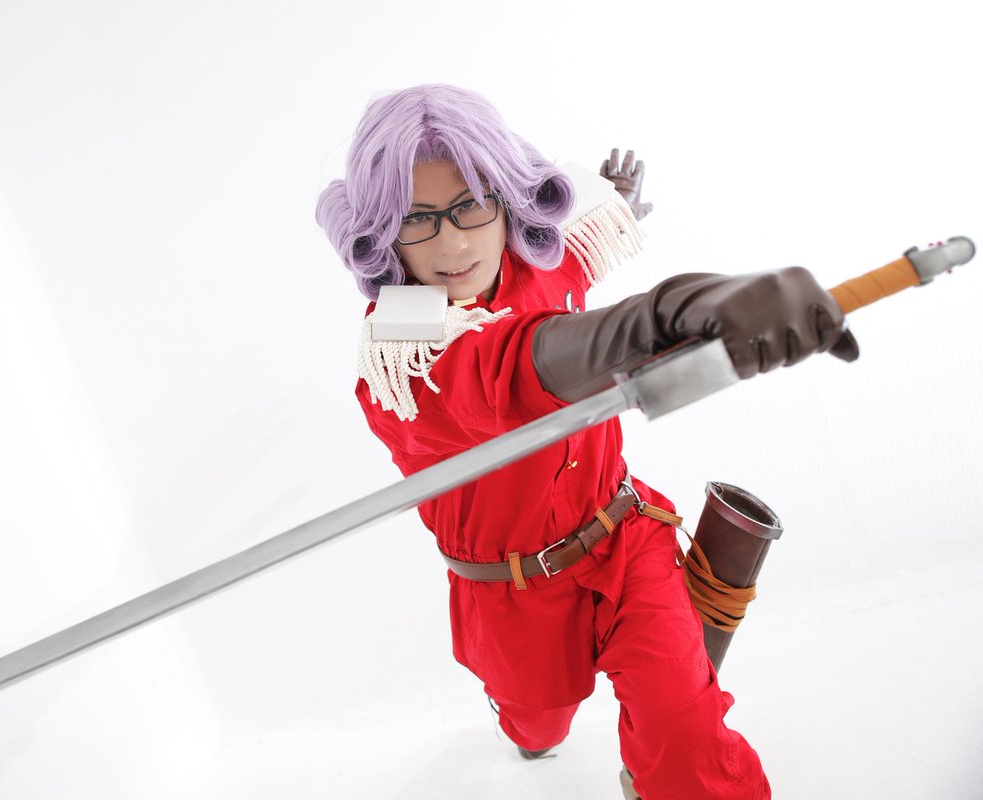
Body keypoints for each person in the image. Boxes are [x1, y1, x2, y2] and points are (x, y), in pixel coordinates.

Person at [315, 84, 856, 800]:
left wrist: (617, 203)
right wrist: (668, 314)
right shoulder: (402, 343)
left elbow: (577, 245)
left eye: (471, 204)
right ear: (382, 233)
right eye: (415, 220)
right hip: (513, 595)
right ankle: (524, 728)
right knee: (538, 724)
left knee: (686, 728)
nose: (452, 243)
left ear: (506, 197)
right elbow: (512, 363)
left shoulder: (534, 255)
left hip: (624, 537)